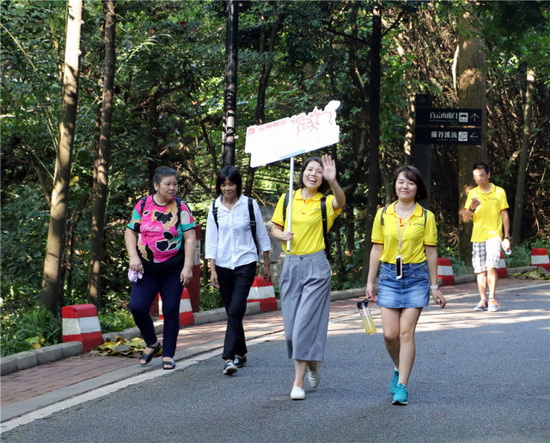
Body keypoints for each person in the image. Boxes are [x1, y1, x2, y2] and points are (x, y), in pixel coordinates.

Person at [365, 165, 446, 406]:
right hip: (389, 276)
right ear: (395, 185)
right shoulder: (383, 214)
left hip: (416, 277)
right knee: (390, 335)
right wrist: (370, 281)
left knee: (405, 332)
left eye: (410, 183)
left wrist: (434, 286)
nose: (405, 186)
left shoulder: (426, 217)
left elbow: (431, 252)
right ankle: (398, 368)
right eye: (401, 181)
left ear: (417, 188)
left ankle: (402, 386)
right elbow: (377, 248)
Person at [271, 154, 346, 400]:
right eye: (309, 169)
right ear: (302, 172)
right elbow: (275, 227)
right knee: (291, 331)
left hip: (316, 266)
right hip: (291, 265)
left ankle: (298, 382)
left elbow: (341, 201)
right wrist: (280, 236)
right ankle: (312, 364)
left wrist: (334, 182)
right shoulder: (287, 199)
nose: (313, 174)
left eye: (319, 171)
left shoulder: (325, 202)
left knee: (304, 325)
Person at [124, 166, 196, 370]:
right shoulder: (144, 204)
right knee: (137, 307)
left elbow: (190, 238)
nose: (173, 188)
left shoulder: (181, 207)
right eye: (168, 184)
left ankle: (168, 354)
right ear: (156, 186)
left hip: (173, 269)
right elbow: (130, 232)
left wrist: (187, 267)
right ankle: (152, 343)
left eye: (175, 184)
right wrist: (133, 257)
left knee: (171, 309)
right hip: (146, 269)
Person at [205, 166, 272, 376]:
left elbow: (261, 235)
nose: (227, 188)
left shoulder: (250, 205)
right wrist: (212, 268)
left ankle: (228, 357)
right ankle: (241, 351)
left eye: (231, 184)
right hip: (223, 264)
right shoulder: (215, 207)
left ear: (238, 185)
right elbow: (212, 239)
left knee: (235, 309)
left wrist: (266, 264)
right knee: (231, 311)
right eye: (223, 184)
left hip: (246, 261)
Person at [463, 162, 510, 312]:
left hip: (494, 235)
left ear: (488, 175)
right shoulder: (472, 193)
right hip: (477, 236)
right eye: (476, 176)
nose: (479, 179)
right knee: (480, 270)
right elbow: (465, 217)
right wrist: (471, 208)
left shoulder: (499, 192)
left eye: (482, 175)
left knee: (491, 266)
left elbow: (504, 215)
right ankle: (482, 299)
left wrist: (507, 237)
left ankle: (492, 299)